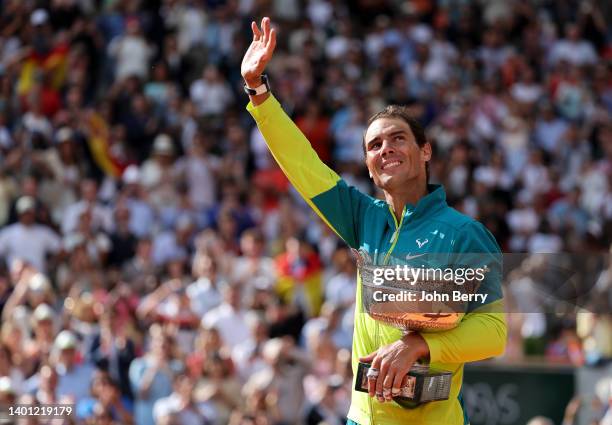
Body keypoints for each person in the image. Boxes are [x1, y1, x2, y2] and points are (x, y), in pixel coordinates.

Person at [242, 17, 506, 425]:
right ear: (368, 165)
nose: (386, 148)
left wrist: (420, 345)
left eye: (399, 137)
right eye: (374, 145)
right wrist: (259, 93)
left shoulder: (464, 234)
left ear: (426, 151)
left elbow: (493, 331)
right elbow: (304, 167)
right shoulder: (365, 219)